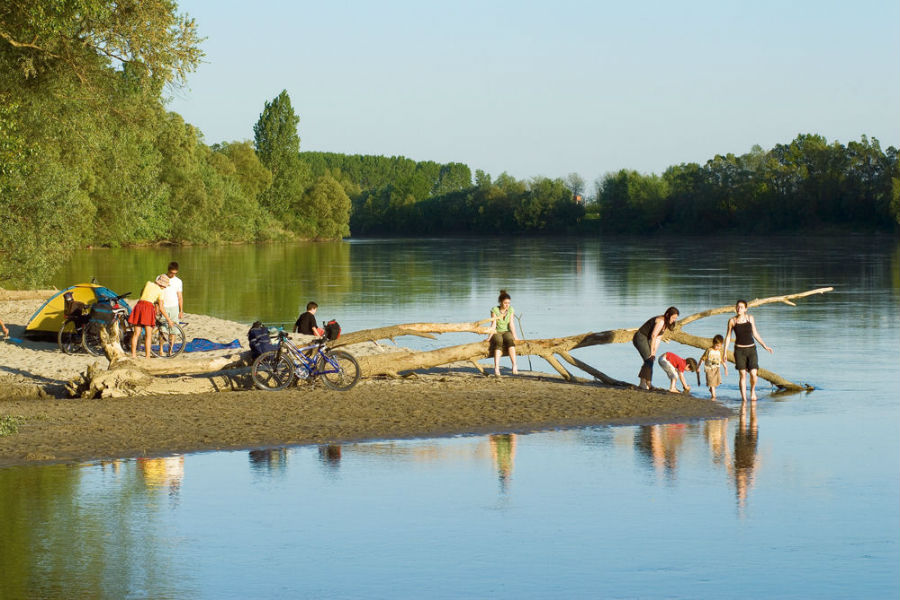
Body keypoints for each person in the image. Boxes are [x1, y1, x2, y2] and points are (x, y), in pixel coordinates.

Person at [724, 299, 773, 403]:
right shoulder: (732, 321)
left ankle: (752, 390)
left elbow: (755, 333)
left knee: (753, 374)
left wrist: (764, 345)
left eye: (741, 307)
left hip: (751, 349)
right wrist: (725, 352)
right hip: (739, 351)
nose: (739, 309)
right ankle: (744, 399)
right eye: (737, 307)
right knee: (743, 375)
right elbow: (728, 336)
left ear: (745, 309)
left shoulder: (750, 318)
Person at [128, 274, 175, 358]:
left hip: (139, 306)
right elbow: (161, 308)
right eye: (165, 286)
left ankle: (133, 355)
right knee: (148, 335)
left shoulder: (148, 283)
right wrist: (169, 320)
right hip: (148, 308)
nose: (165, 288)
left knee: (136, 334)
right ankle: (147, 356)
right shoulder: (161, 292)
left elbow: (141, 293)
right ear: (162, 285)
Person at [632, 306, 680, 390]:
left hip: (646, 339)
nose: (674, 320)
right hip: (640, 337)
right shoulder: (661, 321)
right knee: (648, 359)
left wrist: (654, 352)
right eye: (673, 318)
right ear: (667, 315)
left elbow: (658, 338)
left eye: (675, 318)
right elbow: (653, 336)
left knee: (650, 359)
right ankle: (644, 384)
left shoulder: (665, 324)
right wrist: (652, 351)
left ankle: (647, 383)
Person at [487, 290, 519, 377]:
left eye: (508, 303)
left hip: (506, 331)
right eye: (505, 303)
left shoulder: (511, 310)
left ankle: (514, 365)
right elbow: (493, 325)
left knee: (510, 341)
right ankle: (496, 368)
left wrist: (515, 336)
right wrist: (489, 338)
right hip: (497, 332)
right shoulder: (495, 310)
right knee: (499, 342)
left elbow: (511, 324)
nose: (507, 305)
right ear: (500, 302)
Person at [160, 262, 184, 356]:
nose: (172, 275)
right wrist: (157, 306)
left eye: (175, 273)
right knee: (163, 330)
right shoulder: (161, 277)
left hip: (174, 307)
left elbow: (180, 296)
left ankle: (170, 351)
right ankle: (161, 350)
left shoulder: (178, 281)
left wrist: (181, 310)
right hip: (164, 306)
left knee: (173, 331)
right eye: (171, 273)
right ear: (168, 270)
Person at [699, 335, 728, 400]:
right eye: (717, 346)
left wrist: (725, 368)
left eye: (720, 346)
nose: (718, 347)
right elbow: (703, 358)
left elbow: (721, 360)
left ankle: (711, 389)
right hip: (709, 369)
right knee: (712, 383)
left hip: (717, 369)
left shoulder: (719, 351)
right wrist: (698, 366)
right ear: (713, 343)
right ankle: (713, 396)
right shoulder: (709, 350)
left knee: (716, 382)